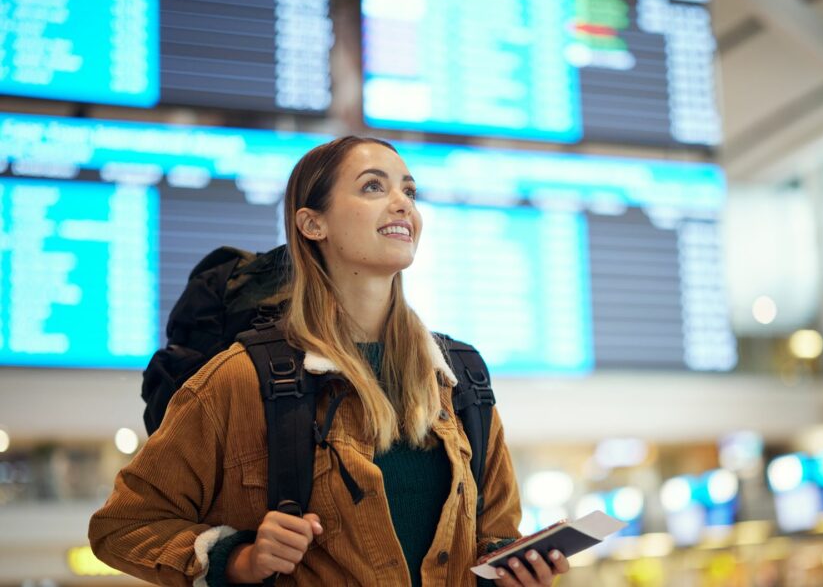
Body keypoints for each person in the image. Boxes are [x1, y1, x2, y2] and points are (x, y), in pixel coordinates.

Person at [89, 136, 572, 587]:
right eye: (373, 187)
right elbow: (123, 526)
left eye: (408, 190)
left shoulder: (460, 378)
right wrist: (238, 559)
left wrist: (514, 567)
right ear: (311, 223)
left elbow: (496, 532)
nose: (403, 203)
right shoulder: (242, 378)